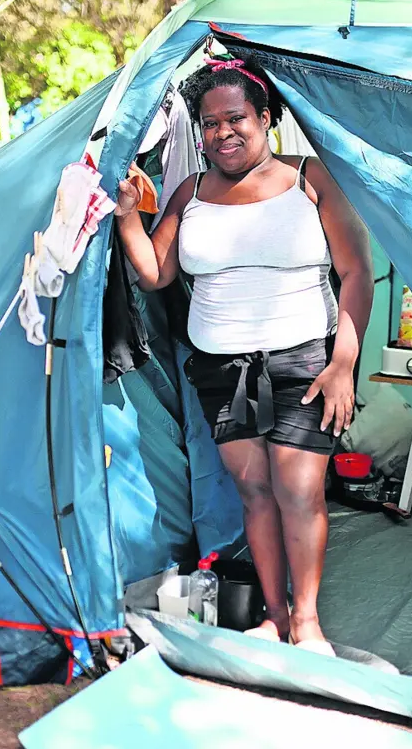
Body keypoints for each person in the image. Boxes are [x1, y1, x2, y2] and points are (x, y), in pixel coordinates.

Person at [113, 54, 373, 654]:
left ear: (265, 117)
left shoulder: (310, 179)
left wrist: (343, 365)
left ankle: (308, 624)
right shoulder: (190, 191)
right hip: (220, 367)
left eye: (236, 118)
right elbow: (154, 272)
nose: (222, 132)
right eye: (208, 123)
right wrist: (128, 217)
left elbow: (355, 272)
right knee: (254, 491)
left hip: (304, 361)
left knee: (299, 490)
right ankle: (275, 616)